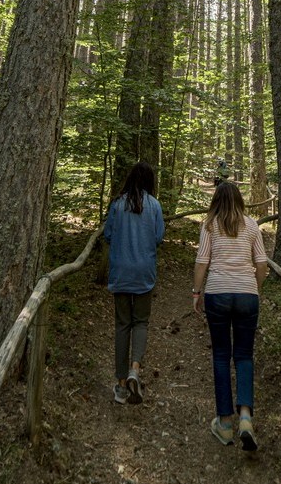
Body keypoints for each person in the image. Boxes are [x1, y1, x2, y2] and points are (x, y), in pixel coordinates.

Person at [192, 181, 268, 451]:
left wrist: (196, 292)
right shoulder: (251, 225)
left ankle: (225, 423)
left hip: (218, 294)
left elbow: (202, 261)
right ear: (239, 200)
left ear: (216, 200)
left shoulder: (210, 225)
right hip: (247, 295)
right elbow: (261, 263)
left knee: (222, 355)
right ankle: (246, 417)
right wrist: (253, 289)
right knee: (245, 355)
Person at [104, 161, 164, 405]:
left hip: (121, 271)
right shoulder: (154, 205)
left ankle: (120, 385)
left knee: (122, 325)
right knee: (140, 322)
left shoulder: (117, 205)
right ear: (149, 181)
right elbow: (159, 237)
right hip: (144, 272)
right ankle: (134, 370)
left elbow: (108, 235)